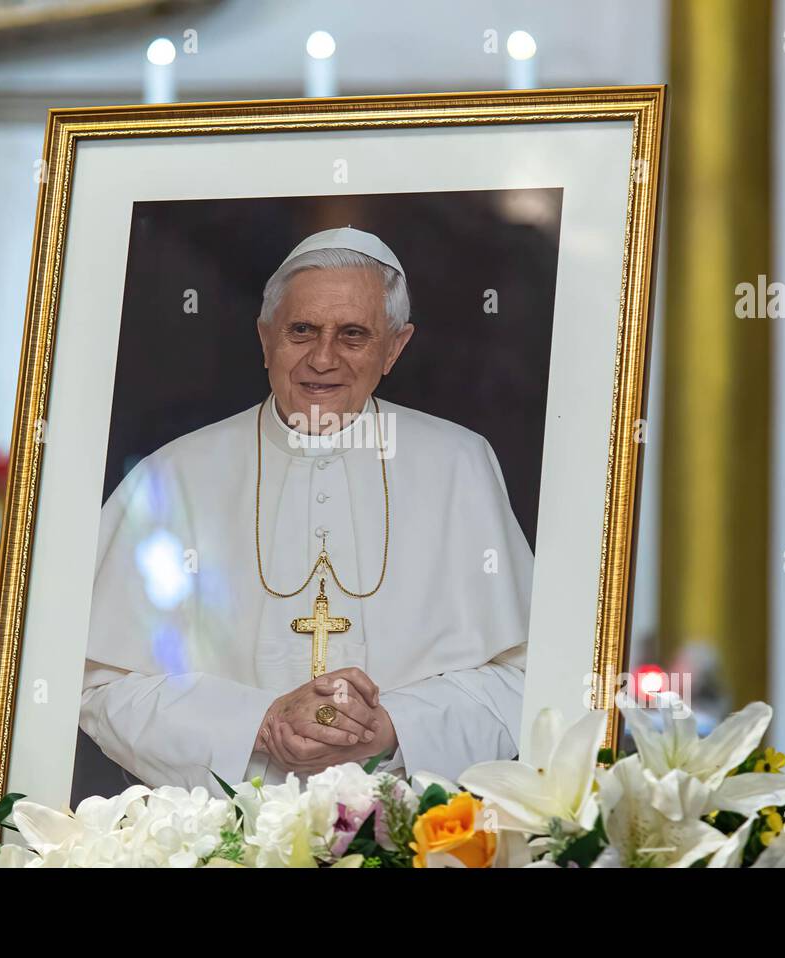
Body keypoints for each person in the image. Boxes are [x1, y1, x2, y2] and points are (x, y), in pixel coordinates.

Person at [81, 227, 532, 788]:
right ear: (266, 337)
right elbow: (102, 683)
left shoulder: (459, 464)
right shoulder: (174, 475)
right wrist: (258, 723)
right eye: (302, 330)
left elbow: (524, 678)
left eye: (353, 334)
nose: (324, 358)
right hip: (222, 836)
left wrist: (396, 725)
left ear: (394, 347)